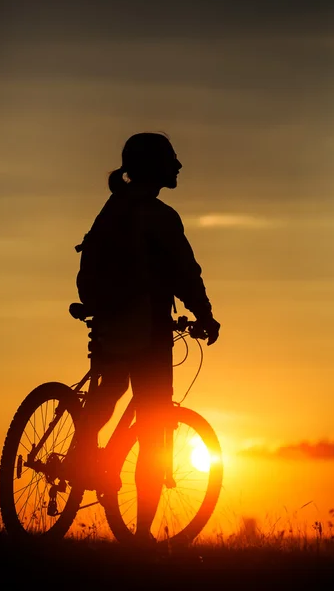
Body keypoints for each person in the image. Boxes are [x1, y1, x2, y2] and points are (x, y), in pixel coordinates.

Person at [73, 132, 220, 544]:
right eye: (171, 160)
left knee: (109, 391)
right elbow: (186, 272)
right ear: (154, 167)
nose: (178, 166)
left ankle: (81, 457)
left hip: (108, 320)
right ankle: (141, 536)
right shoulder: (159, 216)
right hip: (150, 328)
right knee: (156, 428)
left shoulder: (112, 208)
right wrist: (205, 316)